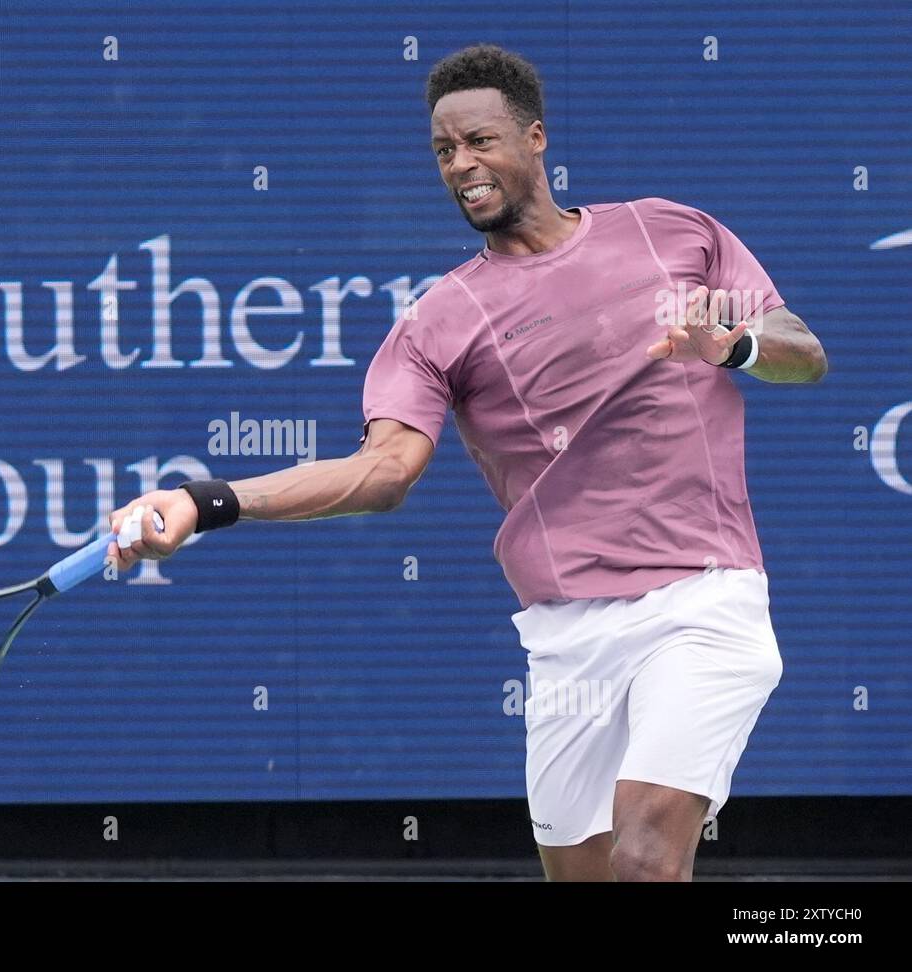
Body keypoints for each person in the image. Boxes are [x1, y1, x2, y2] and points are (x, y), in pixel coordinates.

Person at [105, 44, 827, 881]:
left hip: (705, 600)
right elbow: (381, 473)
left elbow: (802, 352)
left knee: (645, 861)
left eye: (480, 141)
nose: (462, 166)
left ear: (536, 138)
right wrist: (208, 500)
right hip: (567, 638)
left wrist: (735, 345)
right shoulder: (439, 321)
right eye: (445, 151)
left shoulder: (671, 231)